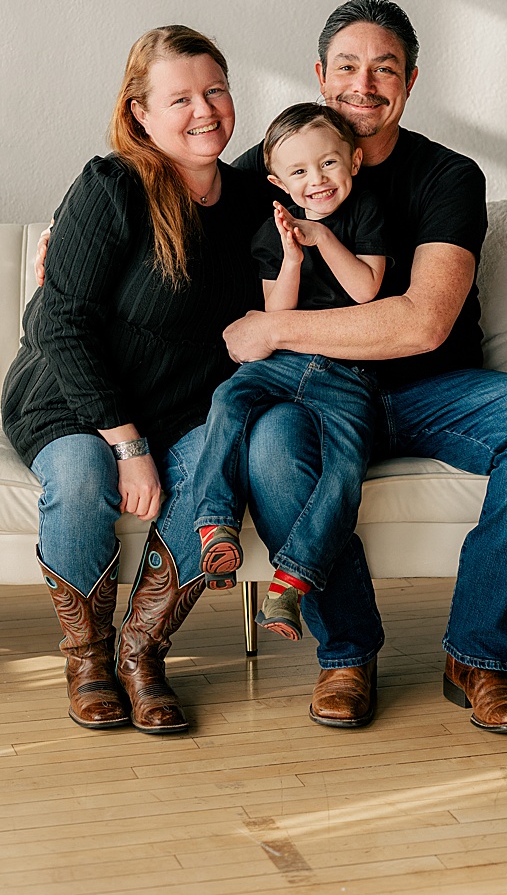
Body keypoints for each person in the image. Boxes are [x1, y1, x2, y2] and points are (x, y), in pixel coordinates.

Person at [223, 0, 507, 734]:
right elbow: (164, 226)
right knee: (269, 447)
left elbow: (424, 322)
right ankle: (347, 654)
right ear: (321, 76)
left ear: (410, 83)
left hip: (432, 389)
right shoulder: (263, 172)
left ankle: (478, 656)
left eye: (384, 69)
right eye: (349, 67)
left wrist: (276, 327)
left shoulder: (448, 176)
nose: (365, 84)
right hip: (315, 394)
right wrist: (66, 256)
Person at [0, 25, 270, 735]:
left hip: (183, 405)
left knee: (223, 468)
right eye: (179, 98)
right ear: (140, 114)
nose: (204, 110)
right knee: (82, 480)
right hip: (72, 396)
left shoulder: (251, 198)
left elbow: (326, 173)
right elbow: (59, 323)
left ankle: (140, 654)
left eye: (216, 90)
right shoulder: (111, 186)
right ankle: (86, 659)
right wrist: (126, 443)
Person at [187, 102, 392, 643]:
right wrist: (292, 257)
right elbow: (275, 319)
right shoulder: (268, 232)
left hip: (350, 374)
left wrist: (322, 237)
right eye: (299, 172)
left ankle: (293, 580)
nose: (316, 181)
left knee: (344, 465)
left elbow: (366, 291)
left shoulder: (368, 211)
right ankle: (214, 525)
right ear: (278, 181)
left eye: (327, 164)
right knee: (228, 402)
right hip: (282, 365)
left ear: (353, 160)